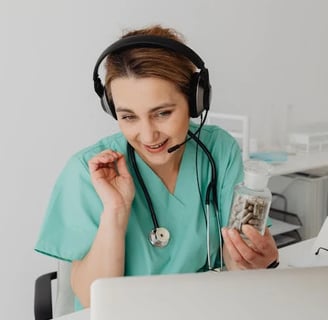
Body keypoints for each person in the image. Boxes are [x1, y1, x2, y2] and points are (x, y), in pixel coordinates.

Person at [35, 25, 278, 310]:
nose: (148, 136)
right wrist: (116, 211)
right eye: (129, 117)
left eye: (162, 113)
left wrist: (254, 260)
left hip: (202, 308)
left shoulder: (218, 150)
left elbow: (235, 265)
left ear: (194, 101)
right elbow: (93, 302)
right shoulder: (89, 171)